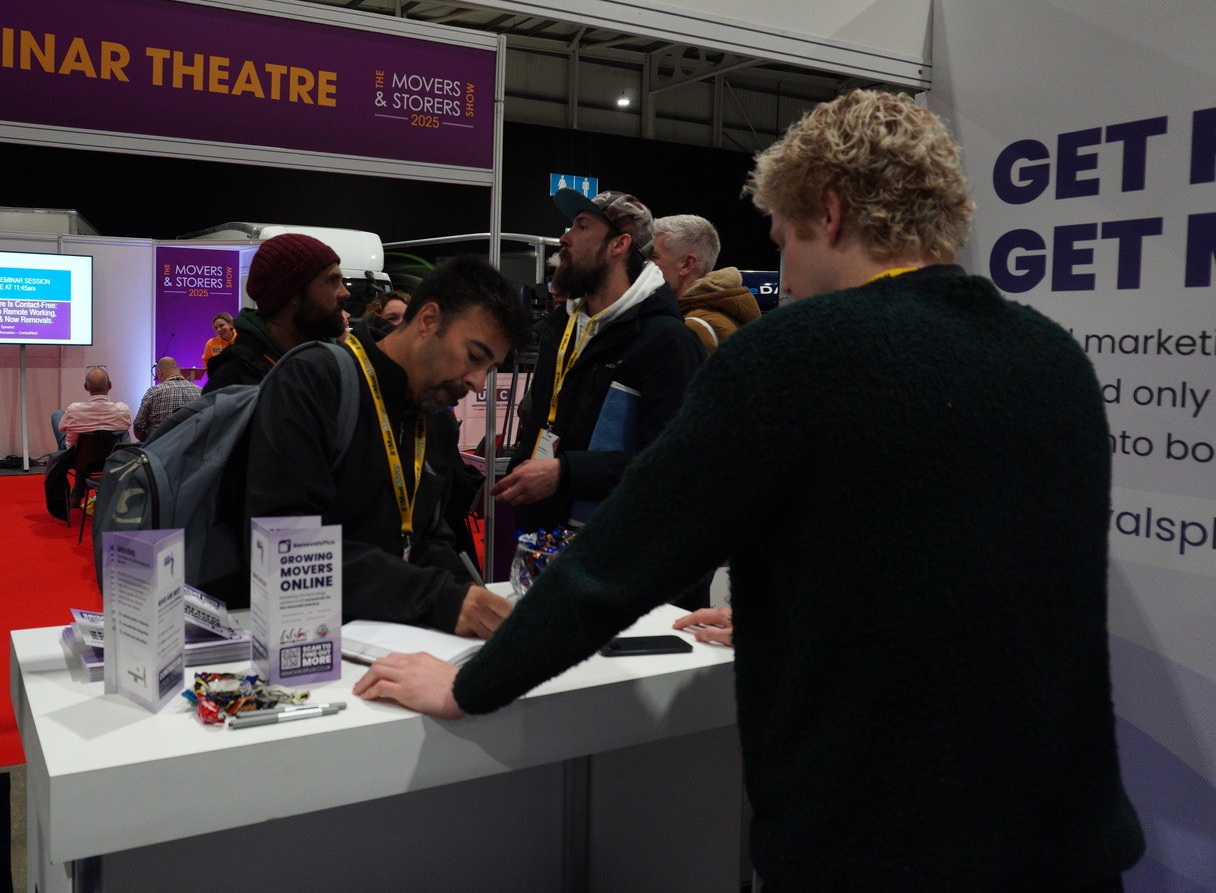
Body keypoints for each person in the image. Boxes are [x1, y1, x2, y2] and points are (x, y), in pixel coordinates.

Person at [355, 90, 1145, 892]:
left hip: (883, 850)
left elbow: (618, 563)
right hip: (1070, 840)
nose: (784, 272)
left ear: (829, 213)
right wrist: (789, 606)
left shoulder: (792, 358)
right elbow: (977, 570)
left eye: (782, 235)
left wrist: (468, 682)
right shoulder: (1053, 360)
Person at [244, 256, 531, 637]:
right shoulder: (314, 381)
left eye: (491, 368)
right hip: (300, 643)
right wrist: (440, 599)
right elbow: (289, 547)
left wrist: (472, 597)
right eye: (474, 357)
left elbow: (427, 538)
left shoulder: (438, 422)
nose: (479, 382)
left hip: (394, 640)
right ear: (428, 320)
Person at [492, 189, 702, 530]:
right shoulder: (562, 329)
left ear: (619, 245)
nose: (565, 237)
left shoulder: (667, 342)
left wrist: (565, 472)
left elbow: (674, 464)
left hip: (618, 558)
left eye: (581, 226)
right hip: (548, 542)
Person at [204, 233, 349, 391]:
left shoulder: (337, 365)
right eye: (332, 281)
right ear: (294, 293)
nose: (345, 293)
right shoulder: (232, 386)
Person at [651, 214, 761, 354]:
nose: (645, 264)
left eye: (654, 257)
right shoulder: (722, 314)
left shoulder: (691, 329)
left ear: (686, 264)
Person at [58, 366, 131, 447]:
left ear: (86, 387)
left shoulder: (73, 410)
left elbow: (61, 428)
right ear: (110, 385)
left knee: (57, 415)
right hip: (112, 456)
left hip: (77, 457)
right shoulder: (123, 410)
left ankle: (62, 457)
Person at [133, 355, 200, 440]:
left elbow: (139, 427)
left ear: (159, 373)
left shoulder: (153, 392)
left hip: (158, 449)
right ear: (179, 371)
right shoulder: (200, 391)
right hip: (191, 448)